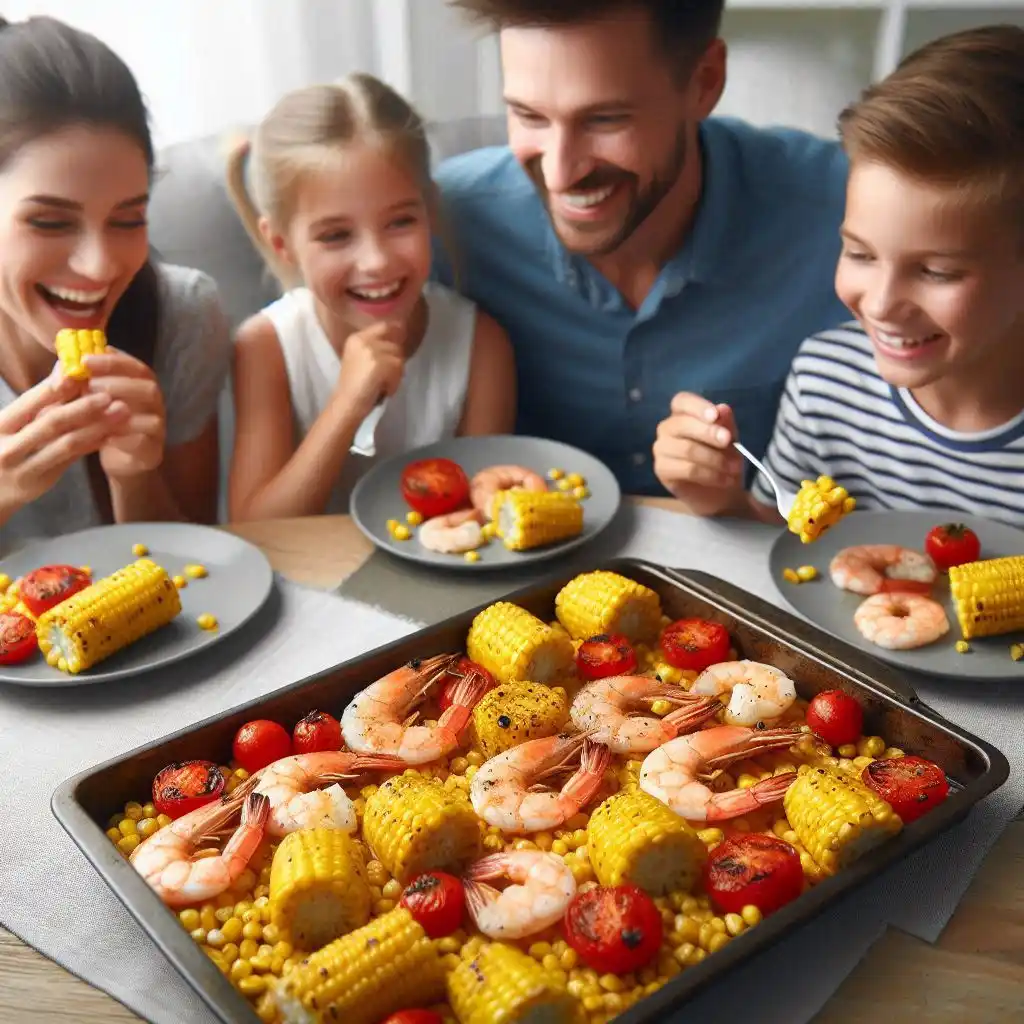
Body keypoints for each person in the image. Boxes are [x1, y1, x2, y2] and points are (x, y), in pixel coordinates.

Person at [436, 0, 849, 496]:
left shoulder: (846, 216)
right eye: (528, 115)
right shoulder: (443, 223)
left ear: (704, 82)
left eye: (605, 119)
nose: (560, 173)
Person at [659, 24, 1024, 529]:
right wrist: (722, 500)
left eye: (936, 272)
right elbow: (785, 537)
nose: (879, 304)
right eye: (860, 253)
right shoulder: (826, 381)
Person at [224, 75, 516, 521]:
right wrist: (347, 405)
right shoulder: (265, 346)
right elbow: (257, 528)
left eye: (400, 222)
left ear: (429, 211)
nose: (376, 261)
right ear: (282, 243)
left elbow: (483, 513)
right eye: (336, 235)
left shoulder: (482, 345)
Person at [0, 16, 233, 556]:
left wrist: (135, 478)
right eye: (51, 222)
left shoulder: (183, 314)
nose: (101, 267)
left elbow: (202, 570)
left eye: (128, 220)